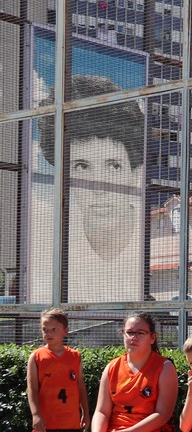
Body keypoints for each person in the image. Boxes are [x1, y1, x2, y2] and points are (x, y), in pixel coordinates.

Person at [35, 75, 146, 304]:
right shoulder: (54, 254)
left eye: (113, 166)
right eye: (82, 166)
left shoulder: (148, 248)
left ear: (135, 173)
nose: (98, 187)